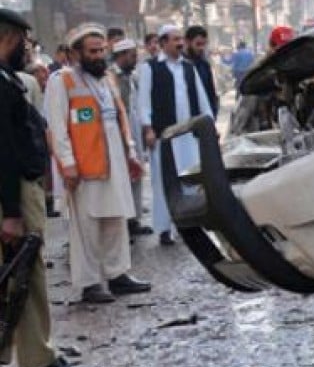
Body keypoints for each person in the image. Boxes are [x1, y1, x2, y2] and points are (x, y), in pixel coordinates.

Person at [0, 8, 100, 367]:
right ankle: (42, 363)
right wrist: (11, 212)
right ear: (7, 38)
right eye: (23, 43)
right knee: (27, 276)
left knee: (11, 280)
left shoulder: (9, 79)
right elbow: (4, 152)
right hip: (13, 195)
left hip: (15, 192)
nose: (27, 51)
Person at [45, 24, 151, 304]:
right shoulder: (62, 80)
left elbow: (119, 118)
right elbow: (56, 127)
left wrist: (130, 153)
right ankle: (90, 283)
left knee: (116, 219)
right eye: (92, 51)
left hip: (113, 161)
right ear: (76, 53)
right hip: (83, 166)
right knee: (87, 227)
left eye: (102, 50)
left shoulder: (107, 79)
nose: (98, 55)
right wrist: (67, 163)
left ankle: (118, 275)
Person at [138, 24, 214, 246]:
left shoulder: (188, 68)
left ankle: (189, 223)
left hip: (188, 135)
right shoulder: (150, 68)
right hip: (164, 135)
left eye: (181, 39)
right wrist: (148, 128)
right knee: (163, 181)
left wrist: (209, 124)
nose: (180, 43)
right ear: (162, 43)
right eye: (174, 39)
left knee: (190, 178)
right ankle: (164, 228)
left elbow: (202, 100)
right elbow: (144, 101)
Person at [109, 39, 151, 238]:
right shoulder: (110, 78)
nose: (135, 59)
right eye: (132, 56)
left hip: (134, 134)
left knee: (136, 175)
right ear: (122, 55)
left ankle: (134, 219)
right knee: (123, 179)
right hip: (120, 136)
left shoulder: (132, 77)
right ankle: (124, 221)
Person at [228, 26, 293, 136]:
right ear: (271, 47)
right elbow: (242, 118)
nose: (285, 54)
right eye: (281, 49)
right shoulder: (259, 74)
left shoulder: (296, 71)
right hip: (263, 135)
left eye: (288, 49)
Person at [184, 25, 218, 117]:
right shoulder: (180, 65)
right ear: (187, 42)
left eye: (203, 44)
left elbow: (211, 92)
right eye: (198, 44)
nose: (201, 48)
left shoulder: (204, 65)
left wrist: (213, 114)